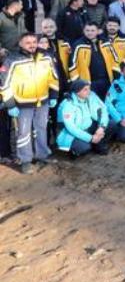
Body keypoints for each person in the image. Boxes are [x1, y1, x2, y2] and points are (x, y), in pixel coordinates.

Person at [1, 33, 59, 173]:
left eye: (34, 41)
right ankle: (25, 160)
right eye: (27, 42)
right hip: (22, 104)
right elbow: (4, 84)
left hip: (43, 102)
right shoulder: (12, 60)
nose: (32, 44)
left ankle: (42, 156)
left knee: (41, 128)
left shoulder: (46, 57)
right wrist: (10, 104)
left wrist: (53, 95)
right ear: (20, 44)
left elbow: (53, 77)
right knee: (24, 132)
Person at [56, 79, 110, 157]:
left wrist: (101, 127)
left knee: (111, 124)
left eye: (89, 88)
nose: (89, 91)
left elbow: (102, 111)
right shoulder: (68, 104)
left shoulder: (89, 96)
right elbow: (71, 128)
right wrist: (90, 138)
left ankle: (96, 143)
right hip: (69, 134)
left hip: (87, 127)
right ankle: (73, 151)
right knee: (84, 147)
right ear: (77, 92)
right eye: (85, 90)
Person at [70, 22, 118, 99]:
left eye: (92, 30)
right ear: (83, 31)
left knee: (108, 103)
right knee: (93, 106)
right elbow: (72, 65)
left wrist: (116, 78)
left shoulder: (106, 42)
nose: (90, 33)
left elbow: (115, 60)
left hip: (107, 80)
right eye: (87, 30)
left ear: (98, 31)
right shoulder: (78, 45)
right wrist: (77, 83)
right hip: (89, 82)